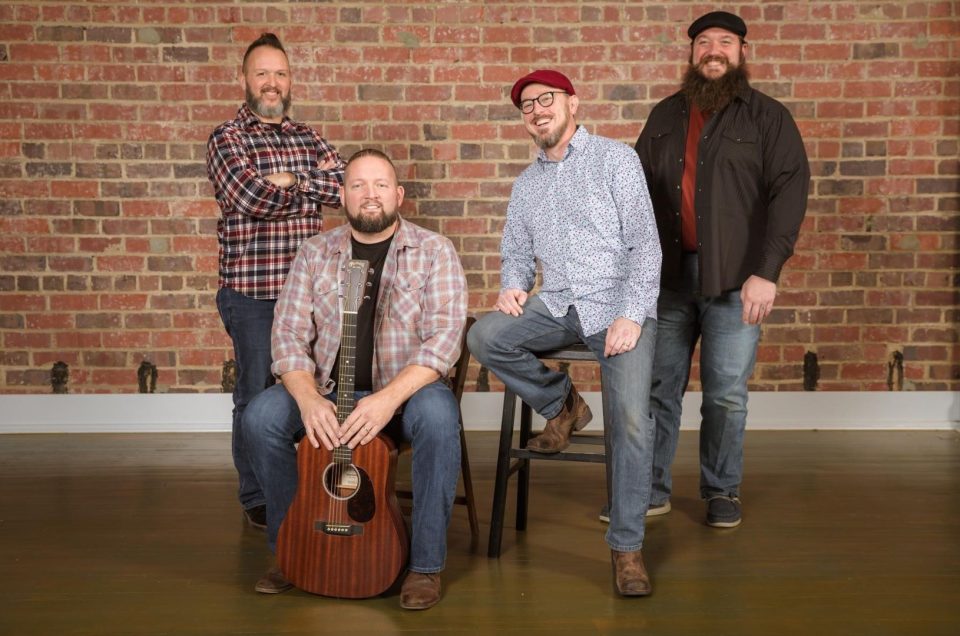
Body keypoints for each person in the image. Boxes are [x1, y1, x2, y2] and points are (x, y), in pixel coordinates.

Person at [242, 149, 468, 610]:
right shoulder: (314, 253)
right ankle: (291, 548)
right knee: (260, 418)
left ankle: (425, 565)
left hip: (404, 395)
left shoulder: (434, 250)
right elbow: (287, 335)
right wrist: (307, 399)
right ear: (342, 195)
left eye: (381, 185)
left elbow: (444, 341)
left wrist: (388, 399)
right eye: (358, 185)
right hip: (328, 392)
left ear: (398, 195)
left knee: (439, 418)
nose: (370, 194)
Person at [468, 70, 662, 597]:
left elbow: (646, 244)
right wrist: (513, 286)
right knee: (484, 337)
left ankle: (626, 548)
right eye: (526, 105)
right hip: (557, 303)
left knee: (631, 420)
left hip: (619, 305)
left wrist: (632, 314)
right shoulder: (526, 185)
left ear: (572, 103)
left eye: (545, 99)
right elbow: (515, 252)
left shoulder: (616, 160)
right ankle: (564, 405)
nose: (536, 110)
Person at [634, 11, 810, 528]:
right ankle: (650, 490)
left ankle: (721, 489)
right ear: (692, 54)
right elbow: (635, 193)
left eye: (726, 42)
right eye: (704, 42)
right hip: (667, 281)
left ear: (742, 52)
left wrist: (767, 272)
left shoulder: (768, 118)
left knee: (726, 396)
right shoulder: (663, 116)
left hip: (737, 282)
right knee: (657, 390)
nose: (714, 50)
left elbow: (789, 197)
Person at [206, 33, 344, 530]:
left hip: (311, 296)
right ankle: (259, 496)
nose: (272, 82)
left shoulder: (308, 135)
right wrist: (310, 184)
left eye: (280, 73)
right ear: (244, 79)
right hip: (253, 294)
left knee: (312, 388)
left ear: (290, 81)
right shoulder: (227, 138)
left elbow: (345, 189)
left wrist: (293, 179)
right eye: (262, 73)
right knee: (256, 396)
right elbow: (249, 198)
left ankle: (300, 484)